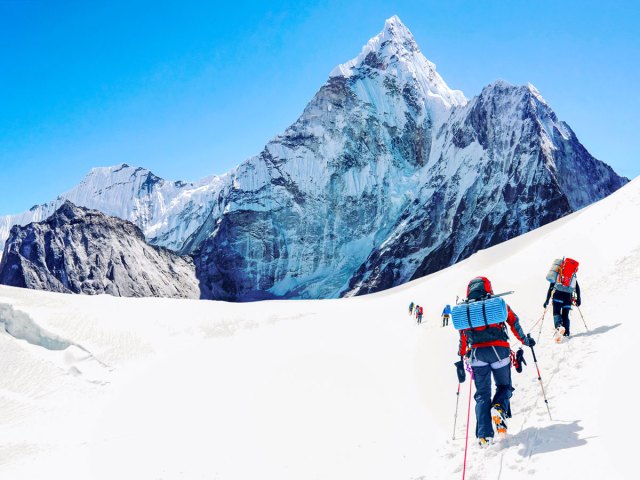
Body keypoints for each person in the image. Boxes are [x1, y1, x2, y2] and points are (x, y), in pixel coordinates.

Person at [456, 276, 534, 446]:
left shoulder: (466, 310)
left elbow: (462, 337)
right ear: (488, 289)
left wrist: (461, 356)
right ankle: (499, 407)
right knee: (504, 386)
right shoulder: (497, 304)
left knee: (482, 394)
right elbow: (513, 322)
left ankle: (484, 435)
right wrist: (525, 341)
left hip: (477, 355)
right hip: (499, 352)